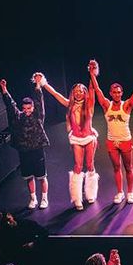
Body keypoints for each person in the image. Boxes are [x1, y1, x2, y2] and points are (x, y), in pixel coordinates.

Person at [41, 62, 99, 210]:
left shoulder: (90, 104)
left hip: (89, 137)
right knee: (78, 166)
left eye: (81, 91)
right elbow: (55, 94)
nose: (79, 93)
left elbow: (93, 87)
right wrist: (43, 83)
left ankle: (91, 193)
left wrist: (92, 73)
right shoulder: (69, 104)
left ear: (85, 93)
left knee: (90, 165)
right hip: (76, 139)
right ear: (73, 93)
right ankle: (77, 198)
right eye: (76, 91)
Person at [89, 65, 133, 205]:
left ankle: (130, 192)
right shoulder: (106, 105)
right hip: (111, 141)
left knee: (128, 167)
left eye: (119, 92)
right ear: (110, 93)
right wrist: (92, 74)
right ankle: (120, 192)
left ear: (121, 93)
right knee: (116, 168)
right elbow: (97, 90)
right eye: (114, 92)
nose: (116, 94)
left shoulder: (127, 105)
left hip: (125, 141)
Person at [0, 74, 50, 209]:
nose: (27, 111)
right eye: (25, 109)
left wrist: (38, 85)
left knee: (41, 176)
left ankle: (44, 199)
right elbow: (11, 106)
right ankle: (33, 198)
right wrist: (5, 91)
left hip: (37, 149)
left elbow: (39, 100)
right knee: (28, 177)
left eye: (30, 108)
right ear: (23, 108)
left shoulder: (38, 116)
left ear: (33, 108)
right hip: (24, 150)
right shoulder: (19, 117)